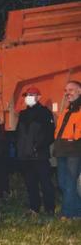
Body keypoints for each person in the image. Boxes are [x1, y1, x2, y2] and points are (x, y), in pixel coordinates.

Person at [16, 86, 55, 215]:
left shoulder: (45, 113)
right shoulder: (23, 114)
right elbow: (18, 134)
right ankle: (34, 208)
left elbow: (50, 134)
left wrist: (38, 146)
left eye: (32, 95)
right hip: (25, 156)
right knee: (30, 183)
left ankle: (50, 209)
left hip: (40, 155)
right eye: (27, 95)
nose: (29, 97)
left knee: (45, 183)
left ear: (39, 97)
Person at [53, 80, 81, 219]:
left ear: (79, 91)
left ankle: (68, 213)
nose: (67, 93)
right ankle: (77, 210)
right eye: (66, 90)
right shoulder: (66, 110)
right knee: (63, 182)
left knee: (70, 182)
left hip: (74, 150)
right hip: (62, 149)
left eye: (70, 90)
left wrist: (75, 139)